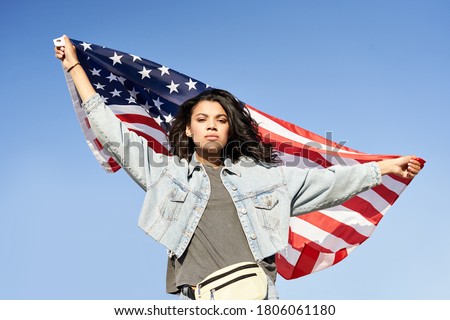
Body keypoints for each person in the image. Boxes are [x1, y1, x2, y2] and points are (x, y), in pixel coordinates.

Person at [54, 35, 423, 300]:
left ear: (230, 129)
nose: (211, 124)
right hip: (200, 298)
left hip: (257, 293)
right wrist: (73, 66)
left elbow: (328, 182)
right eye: (202, 118)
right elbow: (114, 132)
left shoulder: (265, 177)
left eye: (219, 119)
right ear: (188, 129)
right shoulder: (164, 173)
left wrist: (384, 168)